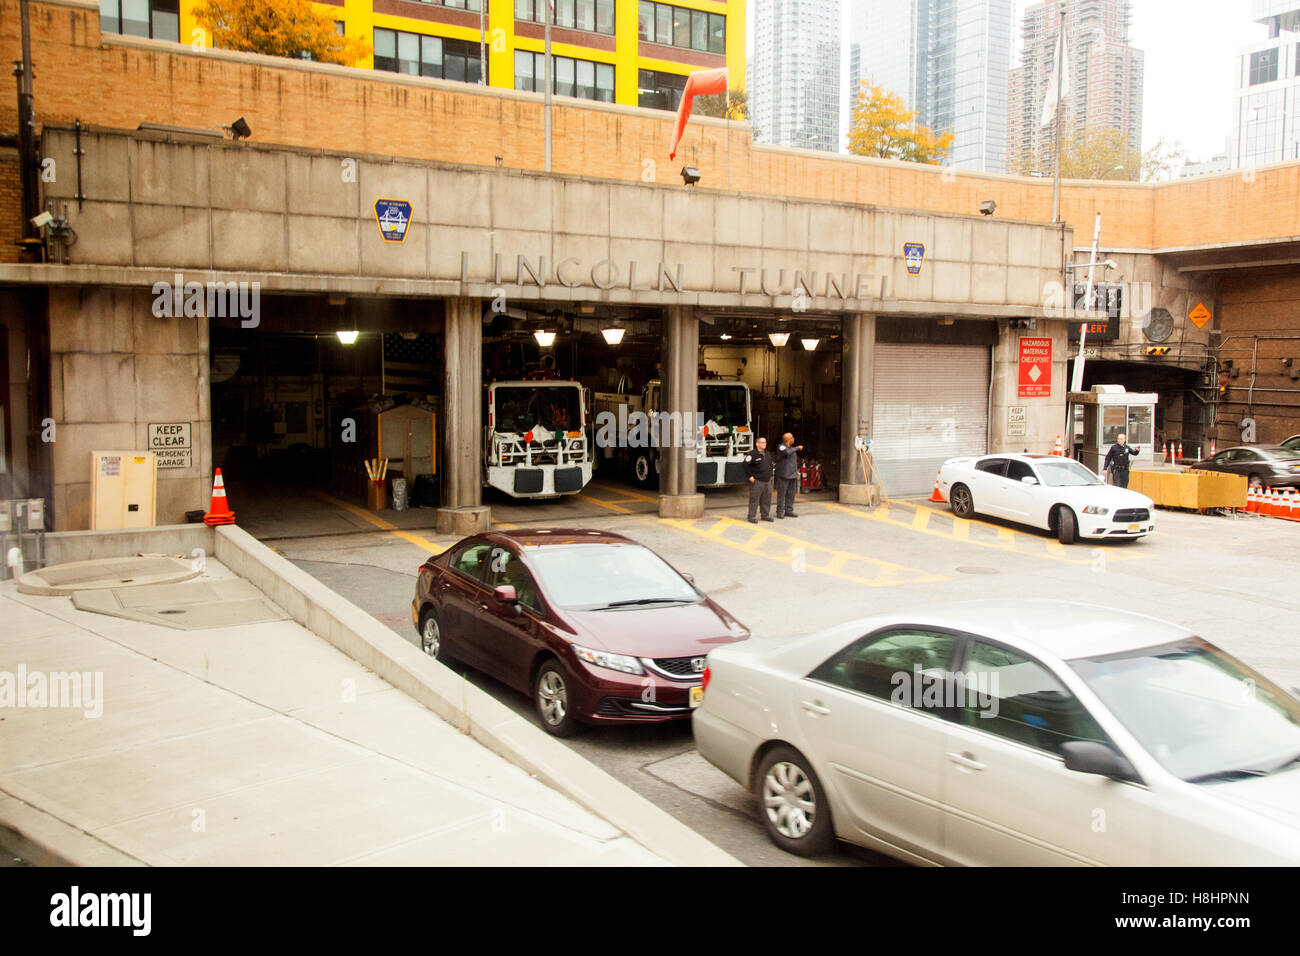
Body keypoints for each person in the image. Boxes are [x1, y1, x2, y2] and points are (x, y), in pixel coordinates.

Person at [744, 436, 775, 523]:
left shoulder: (767, 454)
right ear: (757, 444)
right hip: (757, 481)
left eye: (765, 442)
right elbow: (745, 465)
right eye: (762, 442)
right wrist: (750, 476)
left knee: (766, 499)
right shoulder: (752, 454)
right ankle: (751, 516)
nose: (764, 444)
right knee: (754, 499)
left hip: (767, 481)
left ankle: (765, 515)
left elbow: (770, 465)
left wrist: (771, 475)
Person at [774, 432, 803, 518]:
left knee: (791, 494)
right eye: (792, 437)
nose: (793, 439)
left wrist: (796, 471)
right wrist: (797, 448)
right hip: (784, 475)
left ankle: (789, 510)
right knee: (782, 494)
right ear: (788, 439)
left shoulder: (791, 448)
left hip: (792, 474)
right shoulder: (781, 446)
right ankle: (780, 511)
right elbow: (786, 453)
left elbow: (792, 462)